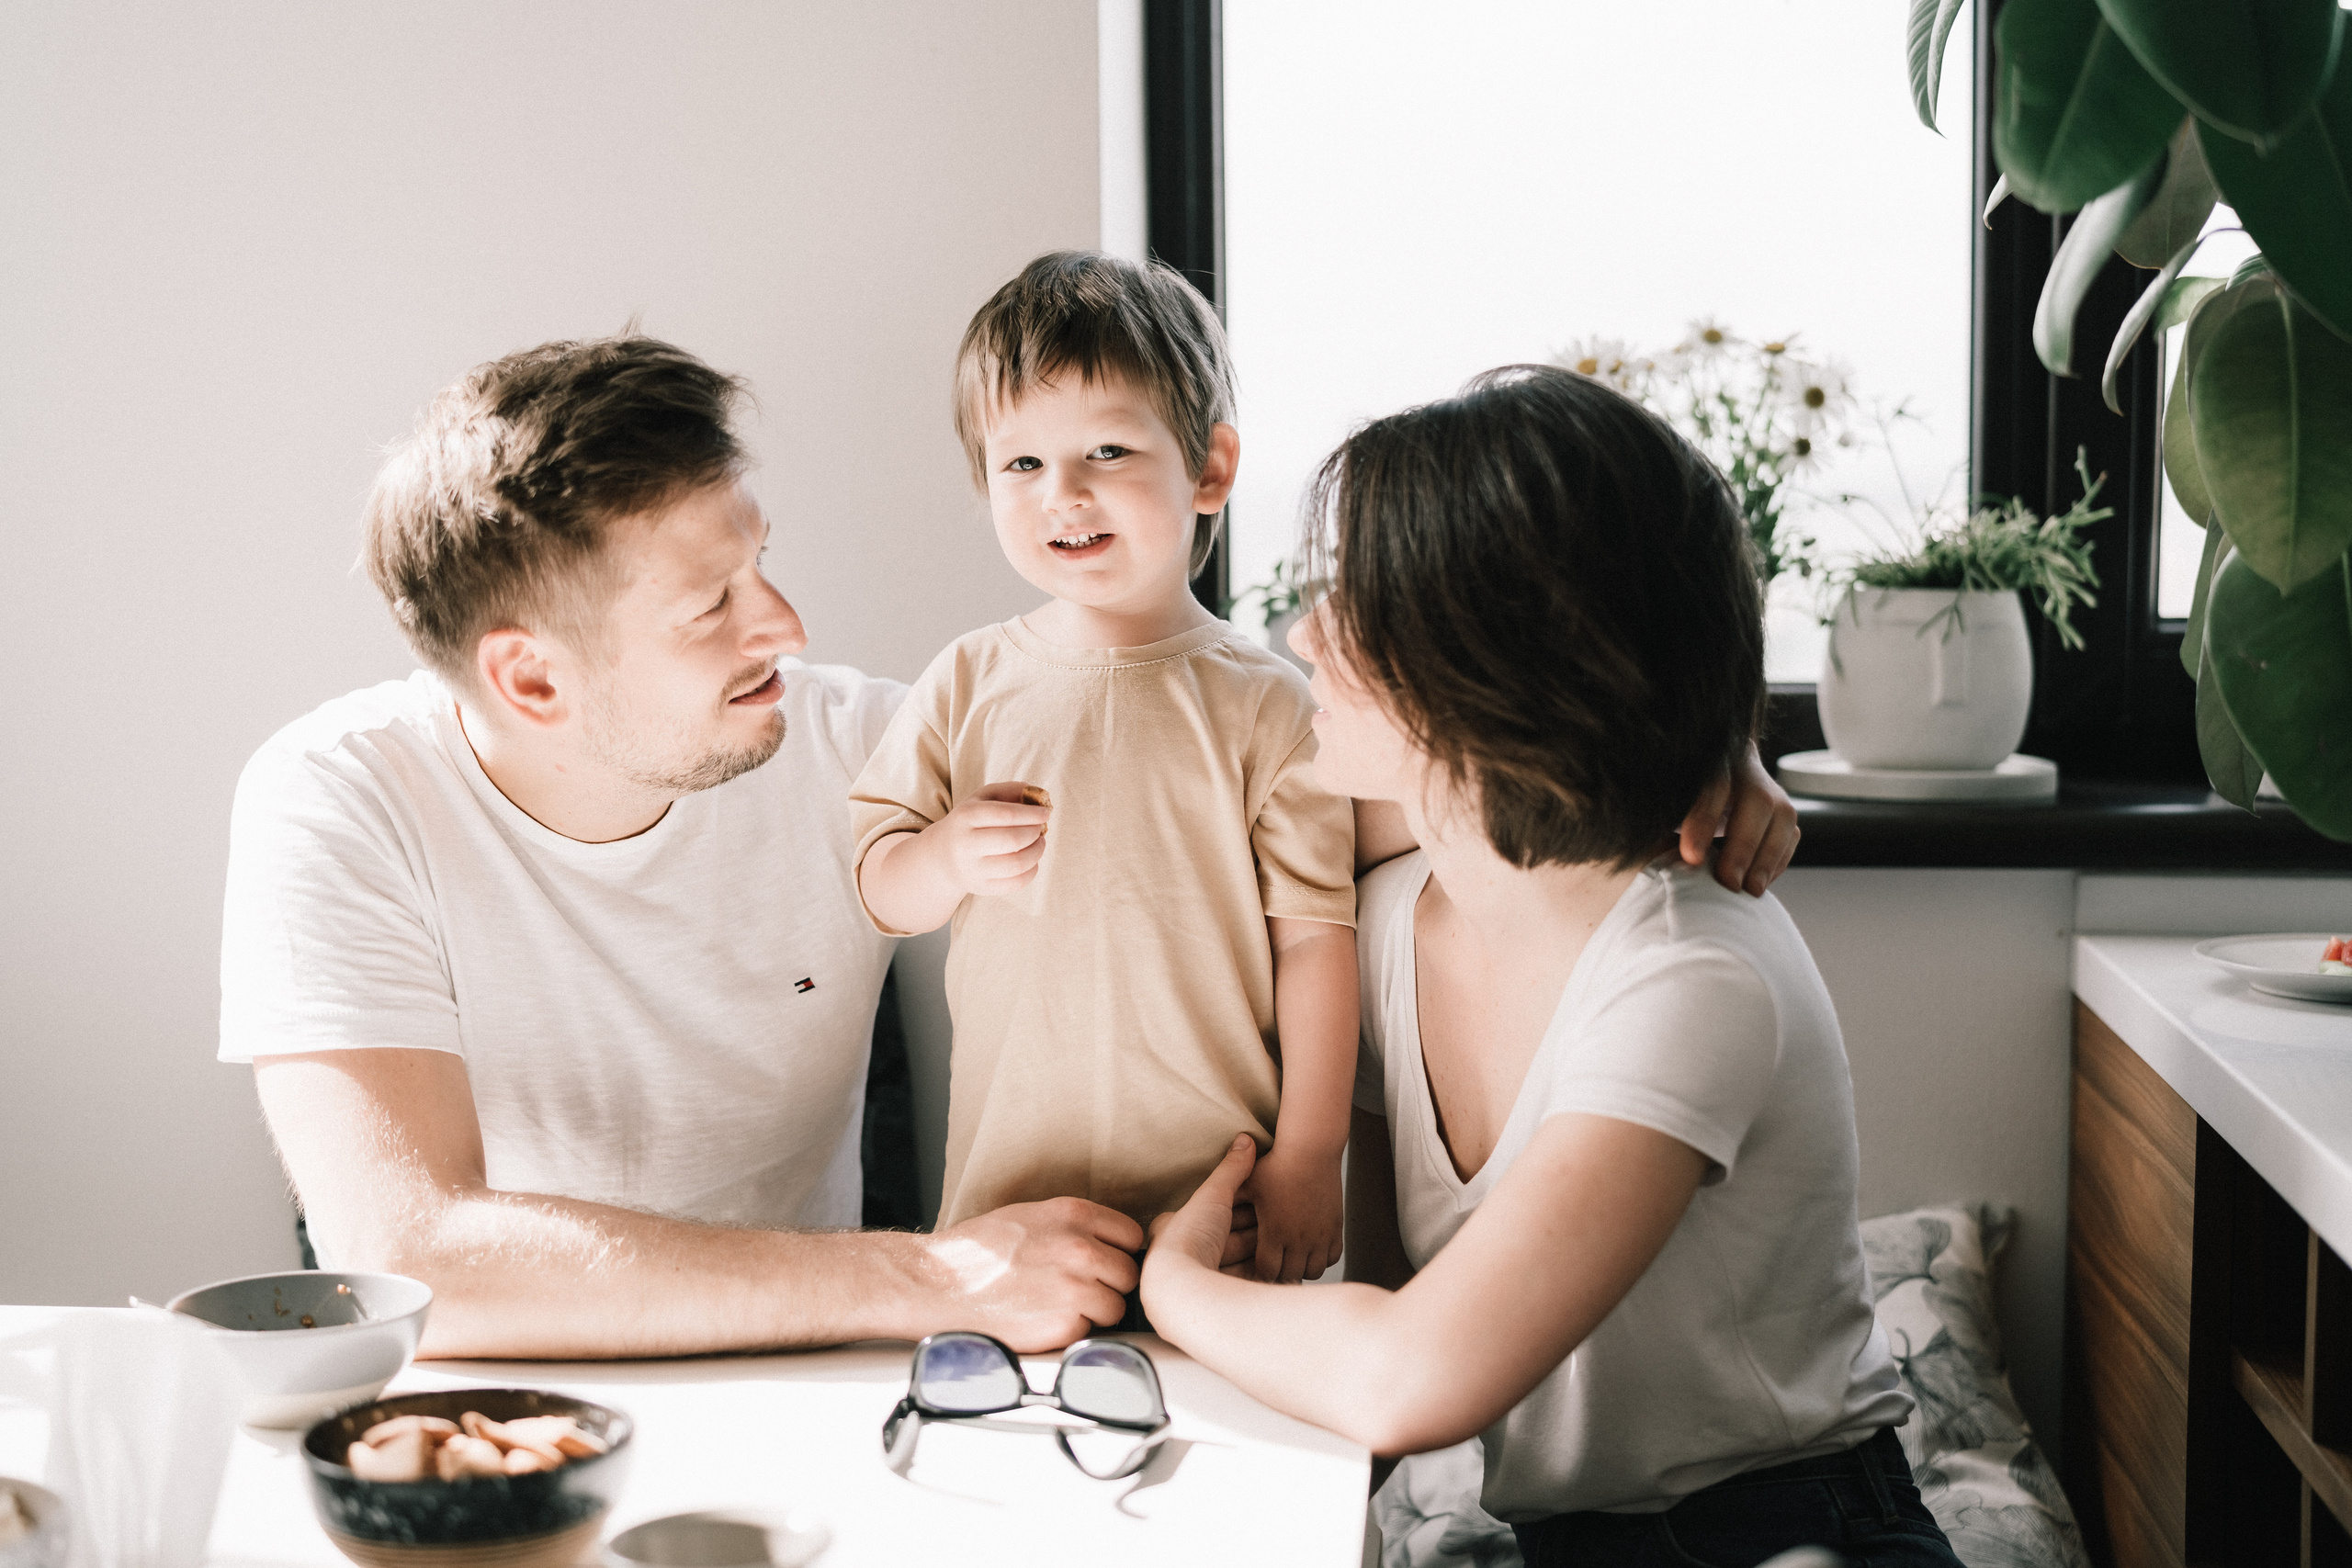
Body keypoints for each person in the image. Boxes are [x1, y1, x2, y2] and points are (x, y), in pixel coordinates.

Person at [1141, 366, 1960, 1567]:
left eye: (1350, 602)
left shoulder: (1691, 970)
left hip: (1790, 1524)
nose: (1300, 635)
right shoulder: (1380, 928)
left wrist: (1176, 1286)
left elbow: (1414, 1376)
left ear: (1488, 659)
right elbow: (1373, 1331)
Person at [219, 335, 1147, 1359]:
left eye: (760, 563)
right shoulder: (337, 799)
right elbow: (410, 1263)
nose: (786, 628)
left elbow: (1202, 793)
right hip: (486, 1405)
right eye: (712, 604)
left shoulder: (858, 742)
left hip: (816, 1376)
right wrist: (933, 1273)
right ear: (531, 680)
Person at [850, 253, 1360, 1283]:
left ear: (1210, 468)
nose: (1062, 494)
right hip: (1012, 1190)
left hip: (1218, 1189)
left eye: (1107, 450)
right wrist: (943, 857)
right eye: (1020, 465)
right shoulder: (966, 678)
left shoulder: (1265, 701)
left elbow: (1314, 947)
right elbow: (880, 892)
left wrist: (1309, 1154)